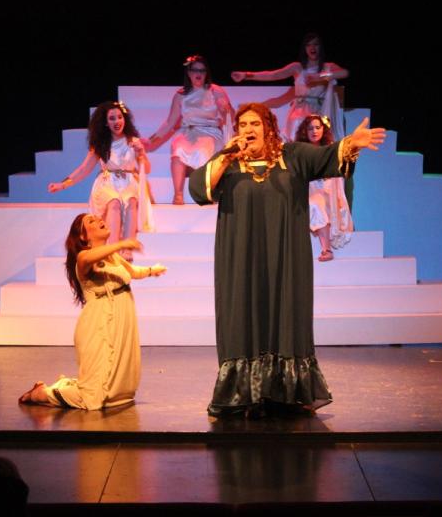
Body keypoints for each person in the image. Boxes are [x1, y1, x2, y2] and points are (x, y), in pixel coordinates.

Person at [188, 102, 386, 417]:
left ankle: (290, 391)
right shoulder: (229, 163)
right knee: (242, 311)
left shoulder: (292, 156)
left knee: (287, 310)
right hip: (241, 259)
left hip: (286, 258)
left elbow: (327, 157)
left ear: (268, 127)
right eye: (243, 125)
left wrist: (351, 144)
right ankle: (242, 392)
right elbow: (198, 189)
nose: (248, 130)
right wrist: (226, 154)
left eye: (255, 123)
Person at [18, 213, 166, 409]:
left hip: (120, 320)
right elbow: (90, 257)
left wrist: (152, 270)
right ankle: (42, 394)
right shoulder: (83, 257)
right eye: (91, 221)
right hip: (99, 324)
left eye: (98, 218)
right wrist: (122, 244)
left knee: (118, 391)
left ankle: (63, 387)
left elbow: (132, 272)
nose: (99, 220)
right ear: (83, 236)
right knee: (92, 398)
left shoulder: (112, 257)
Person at [49, 101, 153, 260]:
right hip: (107, 182)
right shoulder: (100, 144)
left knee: (131, 200)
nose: (117, 121)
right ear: (105, 123)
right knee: (114, 202)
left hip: (129, 181)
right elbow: (84, 169)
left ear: (124, 119)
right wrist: (63, 184)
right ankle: (111, 250)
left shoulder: (133, 141)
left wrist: (141, 153)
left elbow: (147, 169)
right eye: (112, 118)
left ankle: (127, 248)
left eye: (119, 117)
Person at [142, 55, 234, 204]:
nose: (199, 74)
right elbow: (169, 122)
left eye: (202, 70)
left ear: (206, 73)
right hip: (188, 132)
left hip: (210, 132)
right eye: (195, 70)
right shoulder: (180, 95)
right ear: (189, 73)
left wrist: (226, 108)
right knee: (178, 148)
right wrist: (151, 140)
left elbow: (231, 117)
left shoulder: (215, 91)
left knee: (203, 150)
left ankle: (206, 192)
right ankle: (178, 194)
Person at [231, 33, 348, 140]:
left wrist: (320, 76)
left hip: (321, 110)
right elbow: (273, 75)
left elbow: (344, 73)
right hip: (300, 112)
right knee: (299, 130)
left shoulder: (328, 67)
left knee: (321, 133)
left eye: (316, 44)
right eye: (308, 45)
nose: (312, 48)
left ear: (321, 47)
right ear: (305, 49)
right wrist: (246, 75)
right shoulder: (297, 67)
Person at [295, 115, 353, 261]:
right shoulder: (299, 150)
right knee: (312, 203)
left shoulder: (329, 149)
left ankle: (326, 250)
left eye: (317, 127)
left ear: (323, 129)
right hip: (305, 189)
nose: (314, 131)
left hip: (325, 190)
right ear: (305, 131)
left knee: (316, 204)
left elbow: (337, 175)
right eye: (310, 128)